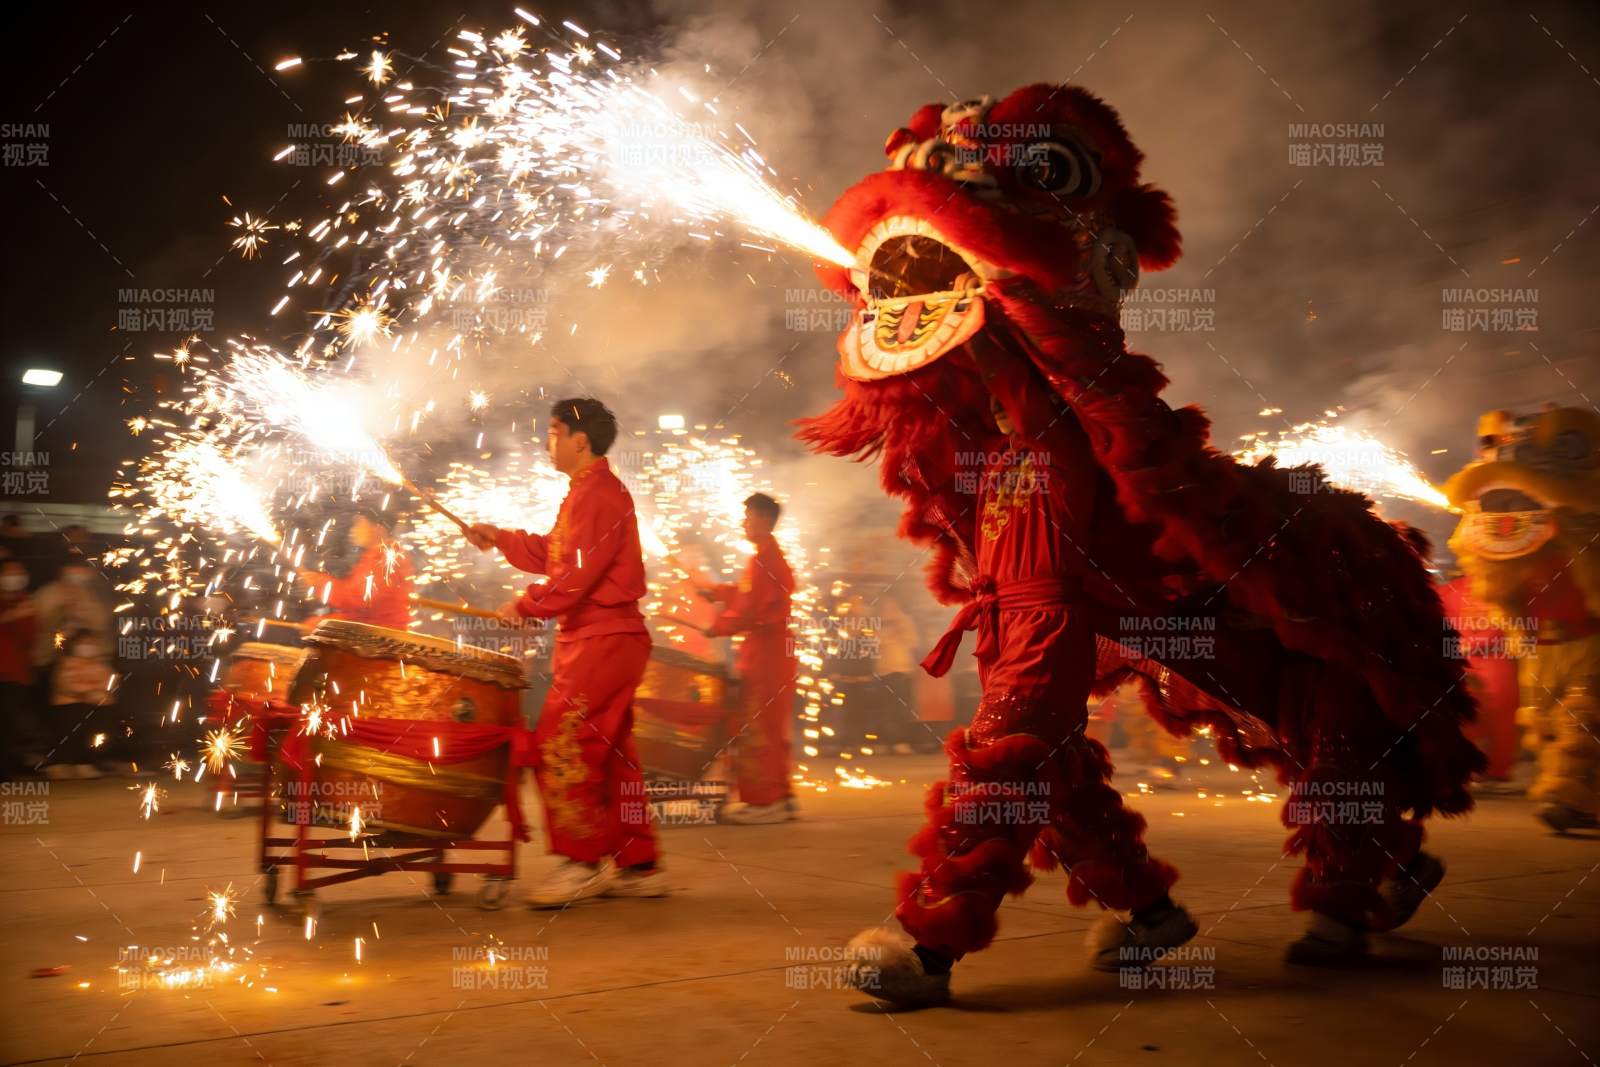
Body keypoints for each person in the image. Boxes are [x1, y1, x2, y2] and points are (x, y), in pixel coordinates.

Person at [465, 397, 664, 906]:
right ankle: (636, 863)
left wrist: (526, 605)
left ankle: (581, 862)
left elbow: (574, 576)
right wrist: (500, 537)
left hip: (602, 640)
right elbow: (553, 552)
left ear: (581, 440)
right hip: (603, 640)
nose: (547, 441)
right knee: (614, 754)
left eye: (554, 432)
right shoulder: (586, 492)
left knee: (560, 742)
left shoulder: (597, 493)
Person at [694, 493, 798, 824]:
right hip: (770, 650)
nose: (744, 522)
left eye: (749, 516)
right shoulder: (765, 558)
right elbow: (744, 596)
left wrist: (718, 627)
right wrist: (717, 592)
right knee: (770, 725)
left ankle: (764, 802)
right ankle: (781, 796)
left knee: (757, 725)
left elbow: (750, 611)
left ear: (765, 520)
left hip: (767, 652)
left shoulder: (765, 560)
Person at [297, 508, 416, 630]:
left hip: (380, 633)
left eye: (359, 524)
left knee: (315, 629)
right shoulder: (379, 555)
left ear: (378, 528)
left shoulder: (386, 557)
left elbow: (357, 599)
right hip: (371, 626)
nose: (353, 530)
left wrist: (321, 582)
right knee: (314, 626)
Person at [44, 627, 116, 779]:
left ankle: (85, 763)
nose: (87, 646)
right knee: (72, 727)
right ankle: (62, 764)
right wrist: (87, 691)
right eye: (83, 642)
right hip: (68, 706)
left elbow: (108, 683)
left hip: (93, 706)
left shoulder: (100, 663)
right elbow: (66, 683)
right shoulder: (69, 663)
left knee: (93, 730)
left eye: (90, 642)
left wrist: (93, 693)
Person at [0, 560, 40, 778]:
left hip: (15, 674)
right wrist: (11, 616)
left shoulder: (27, 603)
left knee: (11, 723)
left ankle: (7, 768)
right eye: (9, 573)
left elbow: (31, 636)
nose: (13, 577)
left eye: (18, 573)